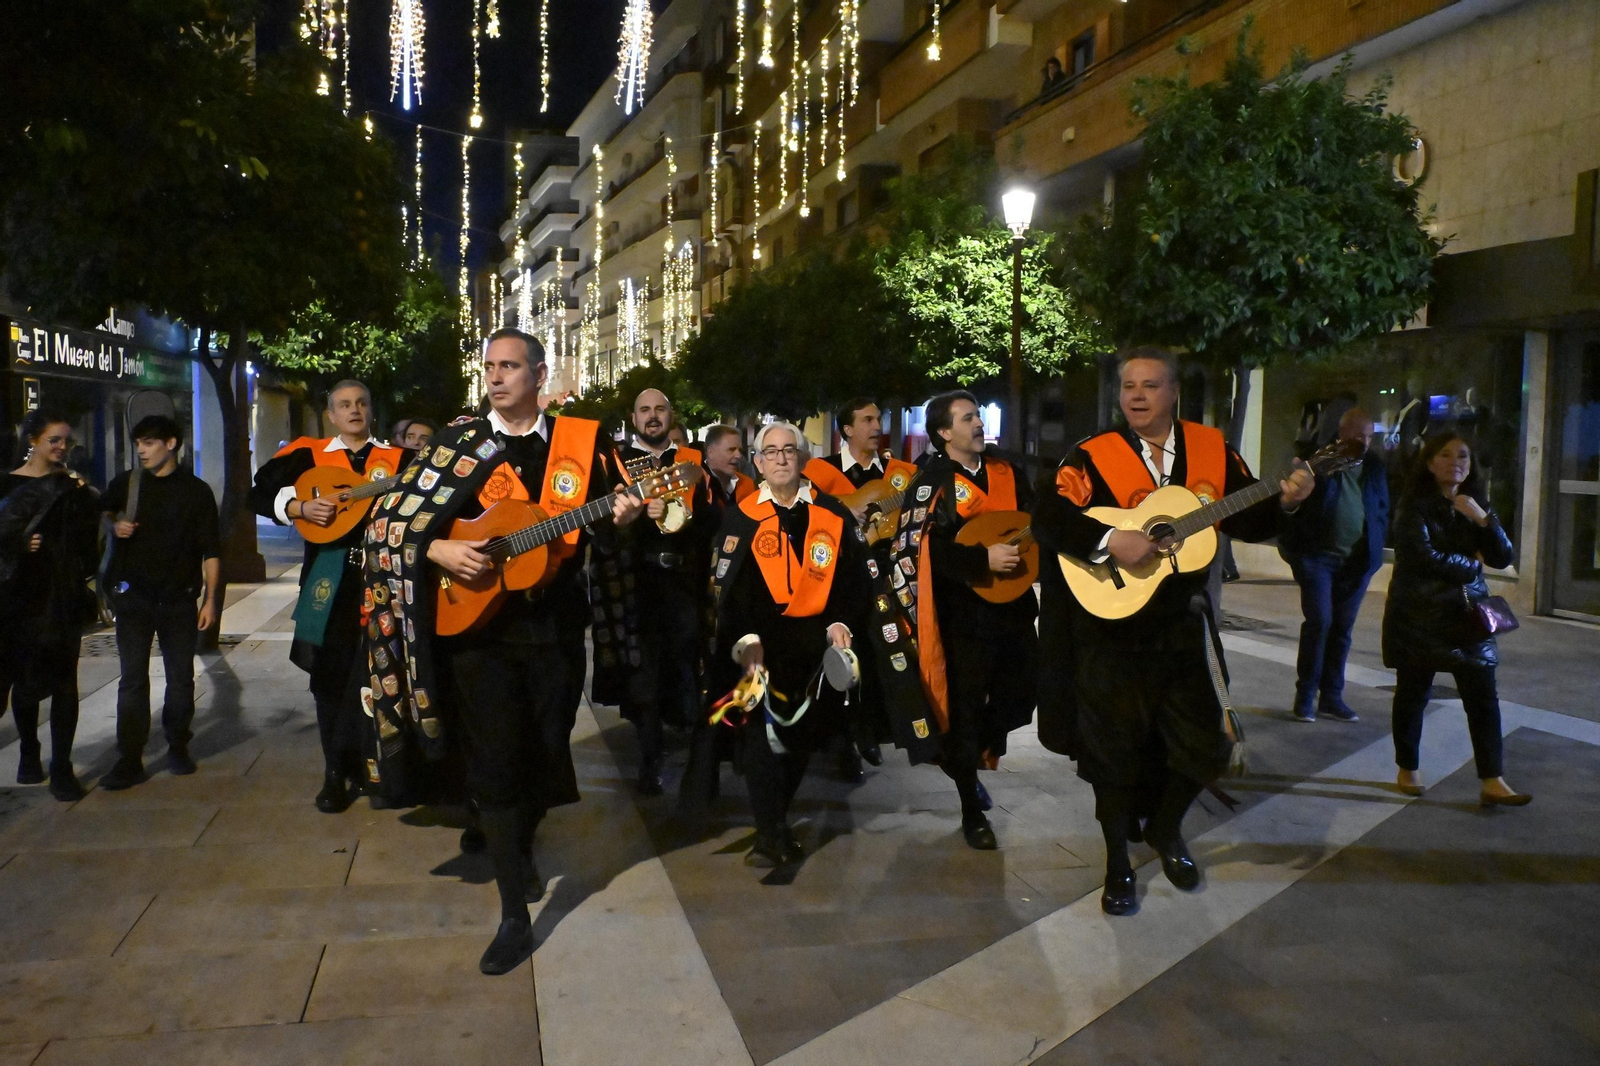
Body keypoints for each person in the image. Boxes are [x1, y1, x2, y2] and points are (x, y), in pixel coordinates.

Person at [363, 328, 643, 974]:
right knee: (496, 757)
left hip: (554, 629)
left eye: (510, 366)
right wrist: (437, 549)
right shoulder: (457, 444)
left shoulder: (583, 442)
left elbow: (608, 530)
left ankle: (515, 839)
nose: (496, 377)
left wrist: (623, 518)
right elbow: (390, 524)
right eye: (489, 366)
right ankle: (514, 908)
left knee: (546, 747)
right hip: (479, 635)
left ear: (539, 374)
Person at [1033, 347, 1314, 916]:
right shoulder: (1092, 455)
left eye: (1150, 385)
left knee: (1205, 744)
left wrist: (1285, 503)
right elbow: (1049, 516)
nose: (1136, 395)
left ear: (1174, 392)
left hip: (1182, 626)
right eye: (1128, 386)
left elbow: (1247, 517)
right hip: (1111, 630)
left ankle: (1165, 829)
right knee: (1112, 754)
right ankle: (1117, 864)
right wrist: (1111, 540)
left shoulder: (1212, 450)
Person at [704, 421, 869, 867]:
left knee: (800, 739)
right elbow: (727, 588)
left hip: (813, 643)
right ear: (757, 463)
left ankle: (775, 822)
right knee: (760, 739)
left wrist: (840, 622)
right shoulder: (742, 516)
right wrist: (747, 641)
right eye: (769, 452)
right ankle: (769, 832)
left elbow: (853, 582)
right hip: (759, 644)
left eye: (788, 450)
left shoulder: (830, 513)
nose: (779, 458)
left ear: (801, 458)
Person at [247, 381, 409, 813]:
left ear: (372, 410)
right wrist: (300, 509)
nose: (354, 410)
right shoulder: (307, 456)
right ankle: (335, 772)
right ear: (331, 415)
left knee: (386, 677)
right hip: (330, 583)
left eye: (361, 402)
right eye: (344, 405)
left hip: (386, 582)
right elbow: (257, 495)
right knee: (331, 682)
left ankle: (382, 770)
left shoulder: (397, 459)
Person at [887, 391, 1038, 850]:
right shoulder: (929, 480)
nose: (978, 423)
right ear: (943, 433)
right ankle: (970, 804)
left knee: (1020, 696)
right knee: (966, 711)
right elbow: (915, 548)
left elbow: (1034, 521)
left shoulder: (1007, 471)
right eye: (967, 418)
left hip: (1013, 610)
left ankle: (964, 761)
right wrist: (980, 559)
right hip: (962, 617)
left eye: (978, 415)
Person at [1382, 433, 1527, 806]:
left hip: (1469, 617)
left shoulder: (1474, 504)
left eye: (1462, 455)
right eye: (1444, 455)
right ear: (1430, 463)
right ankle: (1408, 766)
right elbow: (1420, 557)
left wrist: (1483, 520)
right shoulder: (1413, 506)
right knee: (1413, 693)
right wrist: (1470, 565)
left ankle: (1493, 779)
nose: (1455, 462)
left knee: (1483, 699)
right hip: (1420, 615)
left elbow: (1502, 556)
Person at [98, 416, 222, 789]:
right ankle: (129, 758)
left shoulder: (196, 491)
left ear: (171, 443)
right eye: (138, 443)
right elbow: (105, 512)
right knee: (132, 679)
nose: (141, 450)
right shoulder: (127, 483)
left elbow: (211, 551)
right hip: (133, 596)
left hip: (179, 598)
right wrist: (115, 523)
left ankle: (178, 745)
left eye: (149, 443)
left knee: (180, 678)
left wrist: (212, 601)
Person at [603, 388, 714, 794]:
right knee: (643, 676)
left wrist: (685, 519)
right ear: (633, 419)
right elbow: (601, 528)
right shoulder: (613, 464)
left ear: (672, 416)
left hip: (685, 583)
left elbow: (713, 520)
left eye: (660, 409)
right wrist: (632, 520)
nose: (652, 416)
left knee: (687, 668)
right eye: (644, 409)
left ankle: (698, 763)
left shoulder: (692, 462)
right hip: (636, 584)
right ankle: (649, 760)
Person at [803, 398, 918, 780]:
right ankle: (842, 741)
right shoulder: (822, 473)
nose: (876, 426)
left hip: (887, 578)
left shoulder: (900, 474)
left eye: (879, 419)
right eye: (867, 420)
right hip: (838, 581)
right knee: (843, 660)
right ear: (847, 430)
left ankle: (871, 730)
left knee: (880, 654)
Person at [0, 409, 99, 801]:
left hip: (62, 596)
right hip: (17, 597)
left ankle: (62, 766)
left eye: (66, 441)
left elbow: (86, 543)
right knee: (24, 682)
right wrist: (20, 545)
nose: (61, 448)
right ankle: (29, 750)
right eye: (54, 440)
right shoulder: (5, 485)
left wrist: (85, 498)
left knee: (64, 683)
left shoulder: (71, 487)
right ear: (32, 441)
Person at [1280, 408, 1389, 723]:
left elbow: (1381, 508)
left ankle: (1331, 698)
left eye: (1369, 436)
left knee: (1342, 630)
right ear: (1341, 434)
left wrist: (1374, 551)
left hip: (1356, 562)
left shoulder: (1374, 467)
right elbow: (1293, 505)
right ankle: (1305, 699)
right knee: (1320, 622)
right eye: (1358, 436)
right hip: (1317, 558)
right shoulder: (1321, 462)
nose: (1364, 442)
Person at [702, 424, 754, 510]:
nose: (738, 455)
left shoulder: (746, 484)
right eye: (731, 449)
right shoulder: (694, 484)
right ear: (710, 452)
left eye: (740, 450)